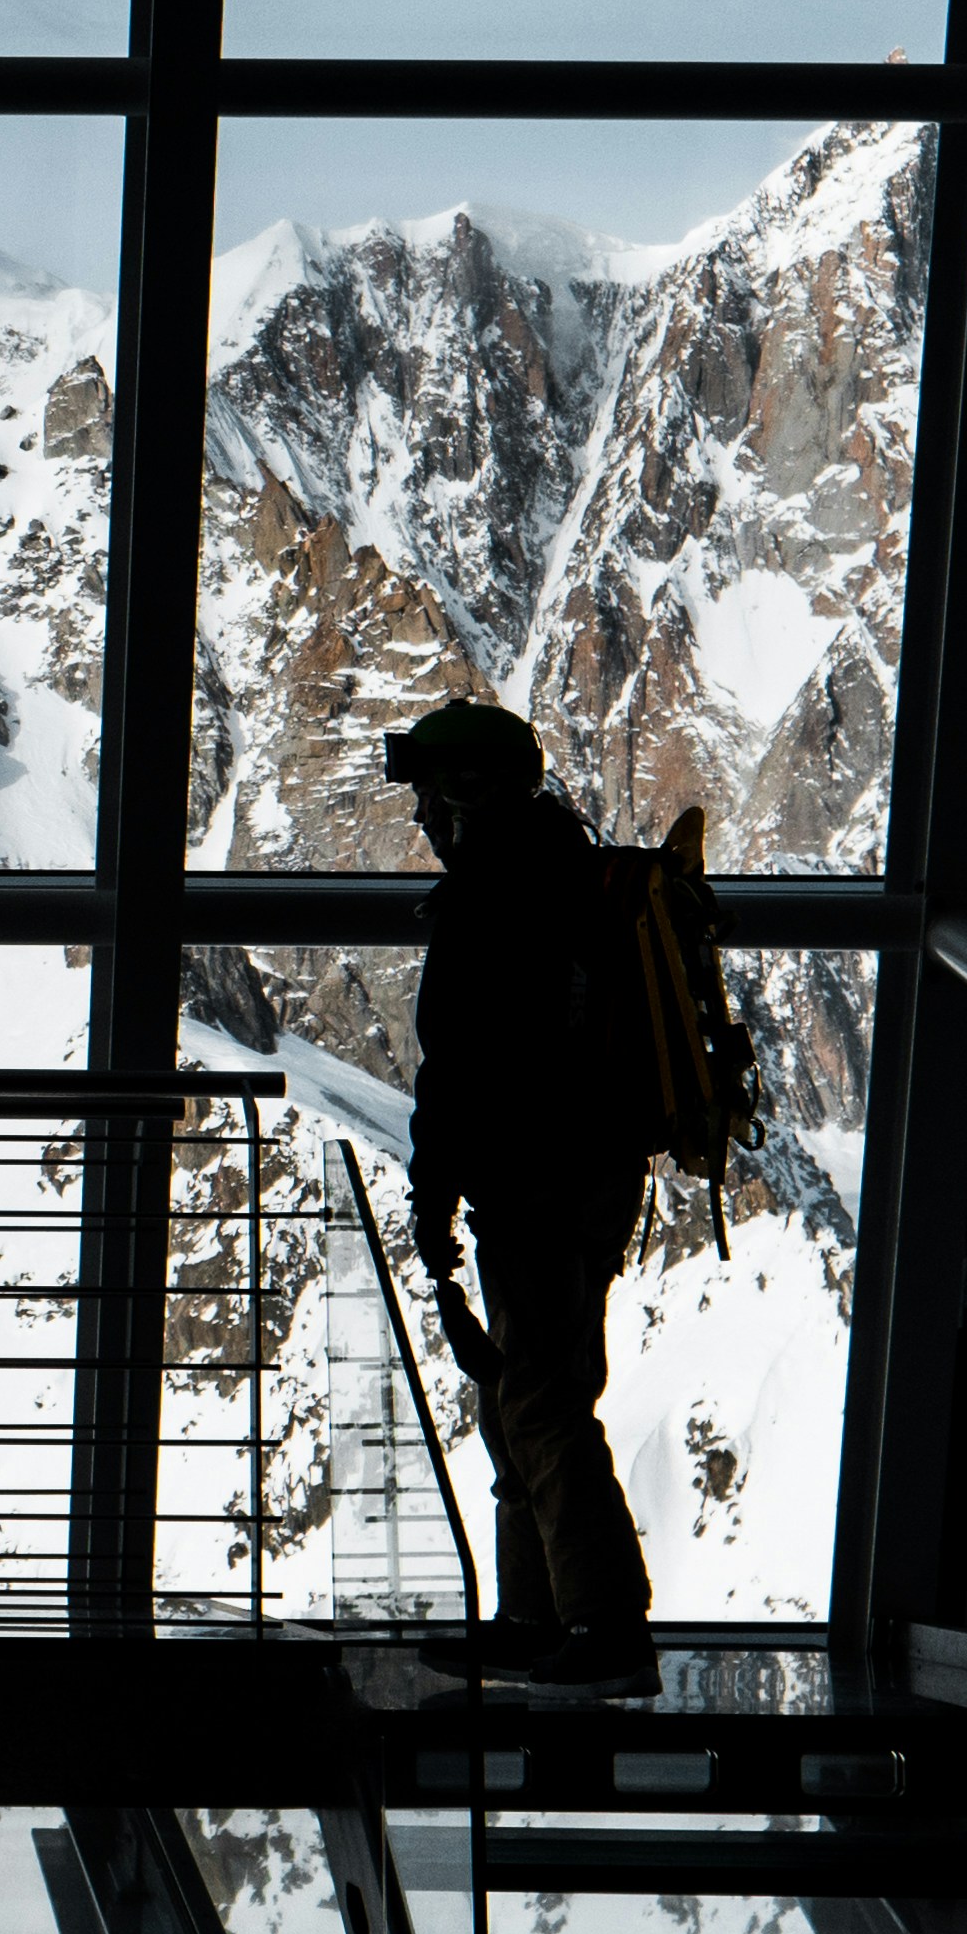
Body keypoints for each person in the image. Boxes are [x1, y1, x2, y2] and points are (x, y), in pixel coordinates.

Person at [381, 697, 660, 1699]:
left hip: (536, 1180)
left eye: (427, 788)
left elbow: (458, 1067)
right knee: (523, 1393)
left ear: (467, 788)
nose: (420, 810)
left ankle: (606, 1626)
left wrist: (432, 1193)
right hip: (587, 1171)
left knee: (539, 1399)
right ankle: (534, 1614)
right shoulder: (566, 874)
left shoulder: (496, 894)